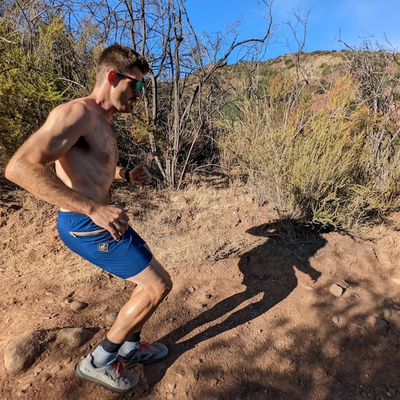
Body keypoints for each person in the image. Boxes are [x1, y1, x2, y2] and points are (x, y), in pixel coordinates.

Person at [5, 44, 172, 394]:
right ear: (112, 77)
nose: (139, 94)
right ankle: (98, 361)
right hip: (85, 224)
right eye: (136, 86)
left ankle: (129, 347)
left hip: (104, 221)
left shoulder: (102, 120)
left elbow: (94, 167)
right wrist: (93, 209)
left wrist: (125, 175)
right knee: (157, 286)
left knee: (145, 280)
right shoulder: (75, 114)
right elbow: (19, 168)